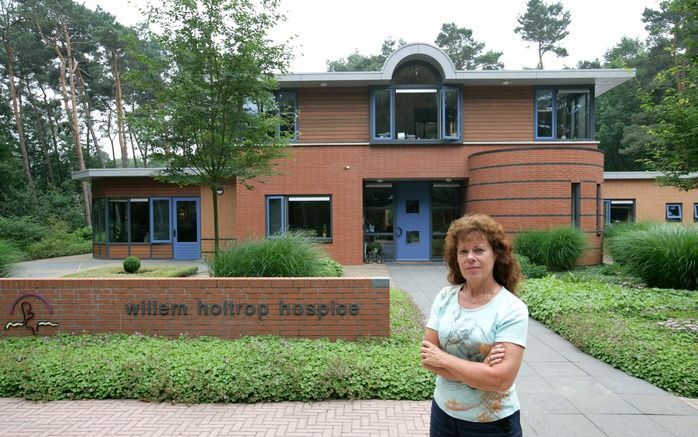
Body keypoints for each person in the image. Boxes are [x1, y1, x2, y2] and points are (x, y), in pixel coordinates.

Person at [420, 213, 528, 437]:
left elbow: (501, 380)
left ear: (496, 255)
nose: (470, 257)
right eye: (463, 251)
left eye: (479, 250)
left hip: (492, 423)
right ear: (456, 258)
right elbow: (428, 359)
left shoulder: (511, 308)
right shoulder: (444, 297)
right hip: (443, 416)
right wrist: (480, 373)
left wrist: (445, 359)